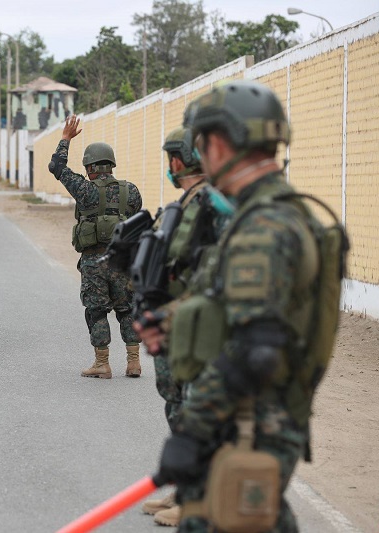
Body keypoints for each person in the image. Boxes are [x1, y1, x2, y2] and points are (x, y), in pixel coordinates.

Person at [138, 80, 345, 532]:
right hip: (252, 413)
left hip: (249, 418)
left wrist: (193, 429)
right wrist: (173, 321)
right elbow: (238, 306)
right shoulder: (265, 214)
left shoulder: (265, 227)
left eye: (200, 145)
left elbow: (257, 348)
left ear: (218, 143)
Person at [139, 126, 224, 527]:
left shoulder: (213, 204)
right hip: (180, 322)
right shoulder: (192, 201)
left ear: (177, 161)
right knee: (178, 405)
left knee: (196, 413)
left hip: (201, 325)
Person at [49, 114, 143, 378]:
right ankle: (134, 362)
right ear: (111, 164)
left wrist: (65, 139)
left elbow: (56, 167)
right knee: (127, 309)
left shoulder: (84, 189)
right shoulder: (130, 191)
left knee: (97, 310)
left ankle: (102, 364)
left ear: (89, 167)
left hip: (94, 263)